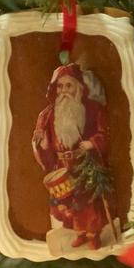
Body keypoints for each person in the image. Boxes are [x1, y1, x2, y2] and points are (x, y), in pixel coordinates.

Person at [32, 63, 110, 250]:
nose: (64, 91)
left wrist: (92, 143)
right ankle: (80, 233)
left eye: (69, 86)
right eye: (60, 86)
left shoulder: (93, 109)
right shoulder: (49, 114)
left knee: (88, 202)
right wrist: (42, 143)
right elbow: (43, 142)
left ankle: (93, 234)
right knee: (70, 204)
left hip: (85, 164)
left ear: (78, 87)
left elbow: (105, 133)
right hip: (62, 165)